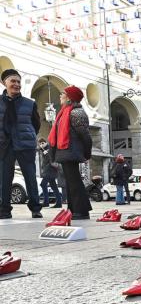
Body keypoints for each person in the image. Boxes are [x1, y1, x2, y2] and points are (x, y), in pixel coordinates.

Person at [0, 68, 43, 219]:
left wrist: (28, 136)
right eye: (13, 81)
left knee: (30, 177)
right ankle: (4, 210)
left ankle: (36, 209)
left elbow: (36, 125)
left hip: (25, 146)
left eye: (18, 81)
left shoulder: (30, 103)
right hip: (4, 146)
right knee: (4, 179)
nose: (16, 84)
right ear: (4, 83)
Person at [48, 85, 93, 220]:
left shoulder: (76, 113)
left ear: (70, 98)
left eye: (63, 93)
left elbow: (85, 135)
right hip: (66, 151)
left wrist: (87, 152)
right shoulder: (65, 111)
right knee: (70, 182)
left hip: (71, 151)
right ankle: (74, 209)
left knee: (74, 182)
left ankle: (81, 211)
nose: (60, 96)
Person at [37, 136, 62, 208]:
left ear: (45, 142)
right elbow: (38, 149)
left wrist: (46, 153)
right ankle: (59, 203)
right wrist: (42, 149)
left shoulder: (49, 148)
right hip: (49, 170)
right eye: (40, 144)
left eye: (42, 143)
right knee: (53, 186)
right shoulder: (43, 149)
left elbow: (51, 159)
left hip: (50, 170)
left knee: (43, 184)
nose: (41, 145)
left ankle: (46, 202)